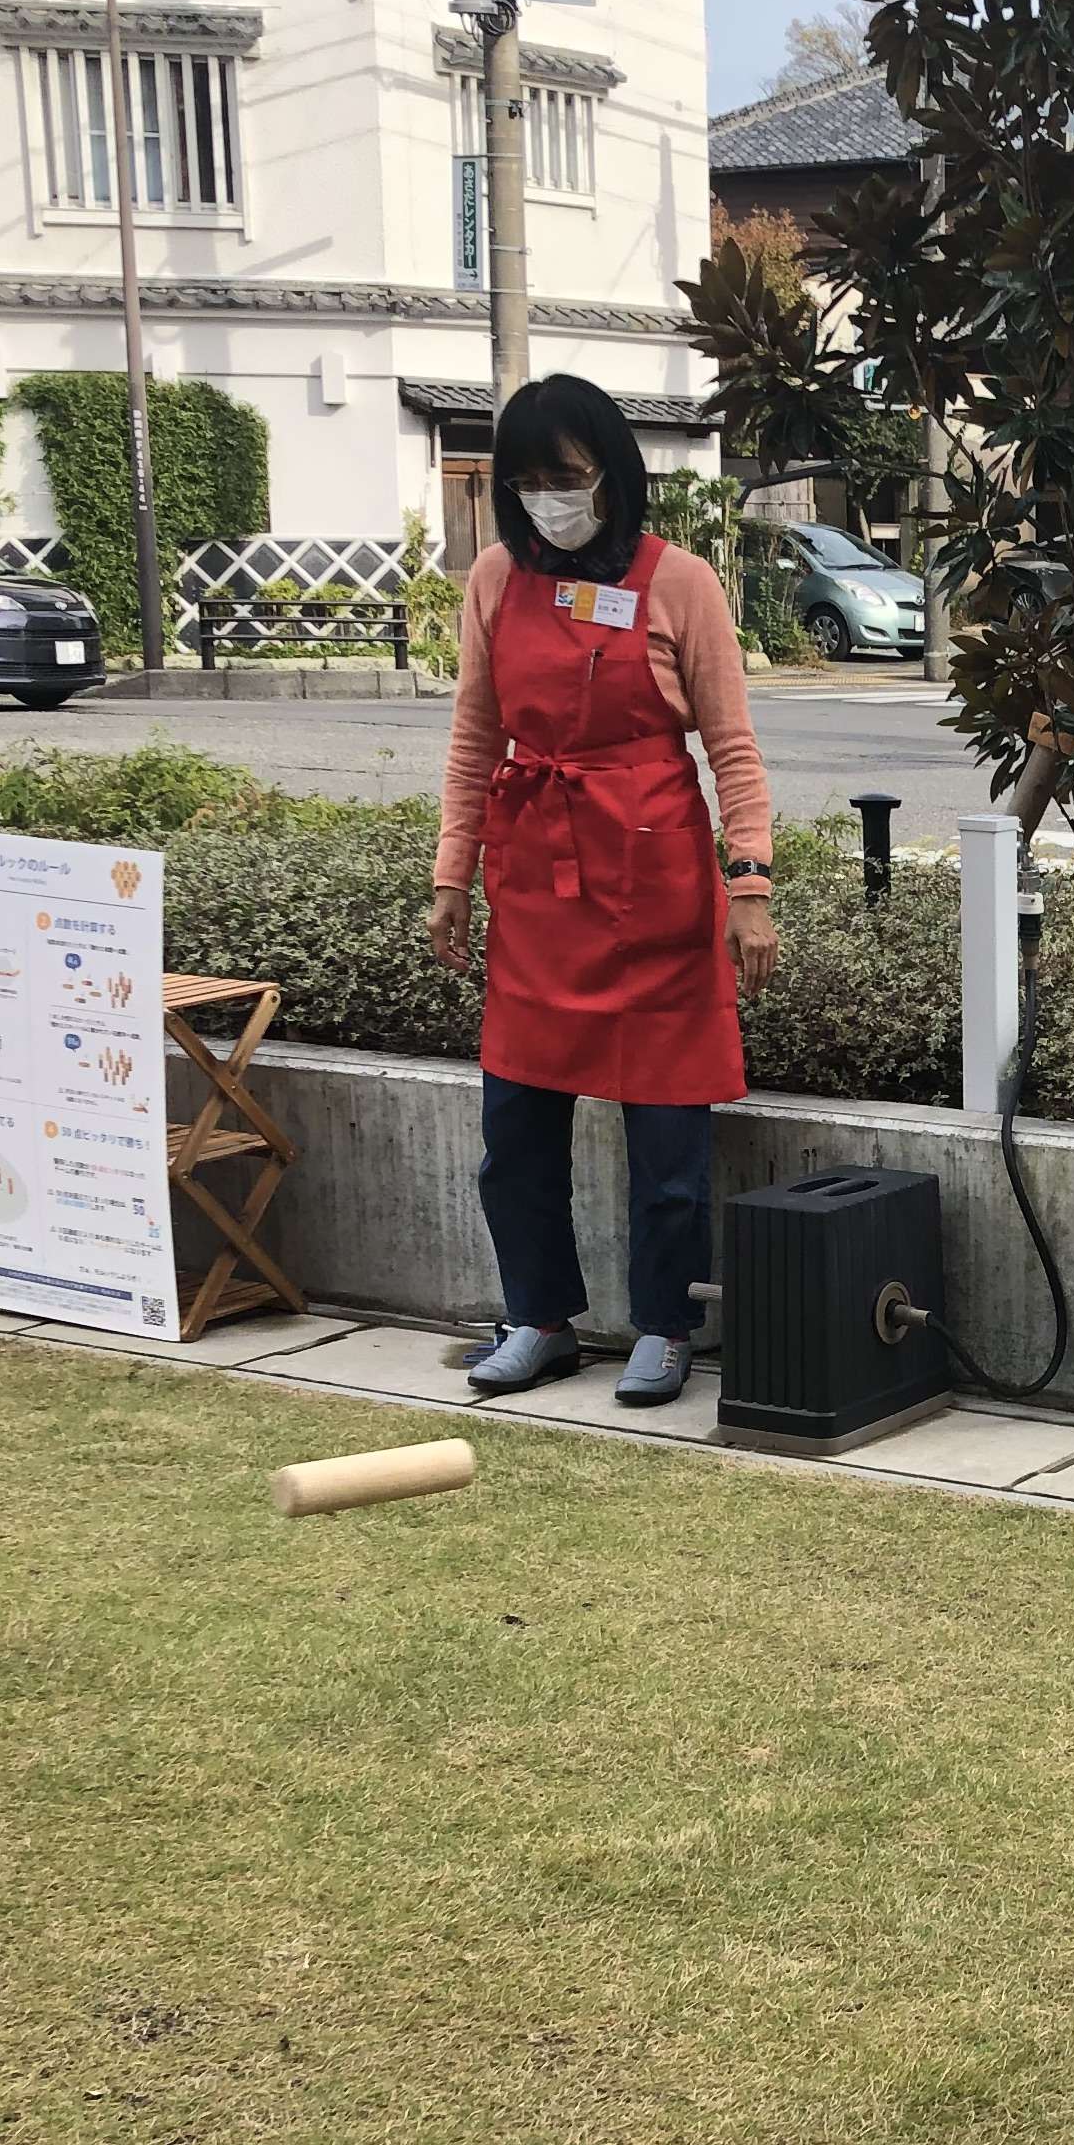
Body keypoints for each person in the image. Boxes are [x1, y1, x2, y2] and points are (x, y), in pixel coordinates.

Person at [428, 375, 777, 1405]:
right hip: (536, 881)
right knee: (513, 1140)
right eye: (528, 482)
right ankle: (538, 1315)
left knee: (668, 1141)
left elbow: (734, 751)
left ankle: (665, 1326)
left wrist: (748, 883)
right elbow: (472, 741)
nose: (549, 499)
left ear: (613, 475)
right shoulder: (495, 578)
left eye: (568, 477)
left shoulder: (683, 583)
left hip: (658, 885)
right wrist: (454, 873)